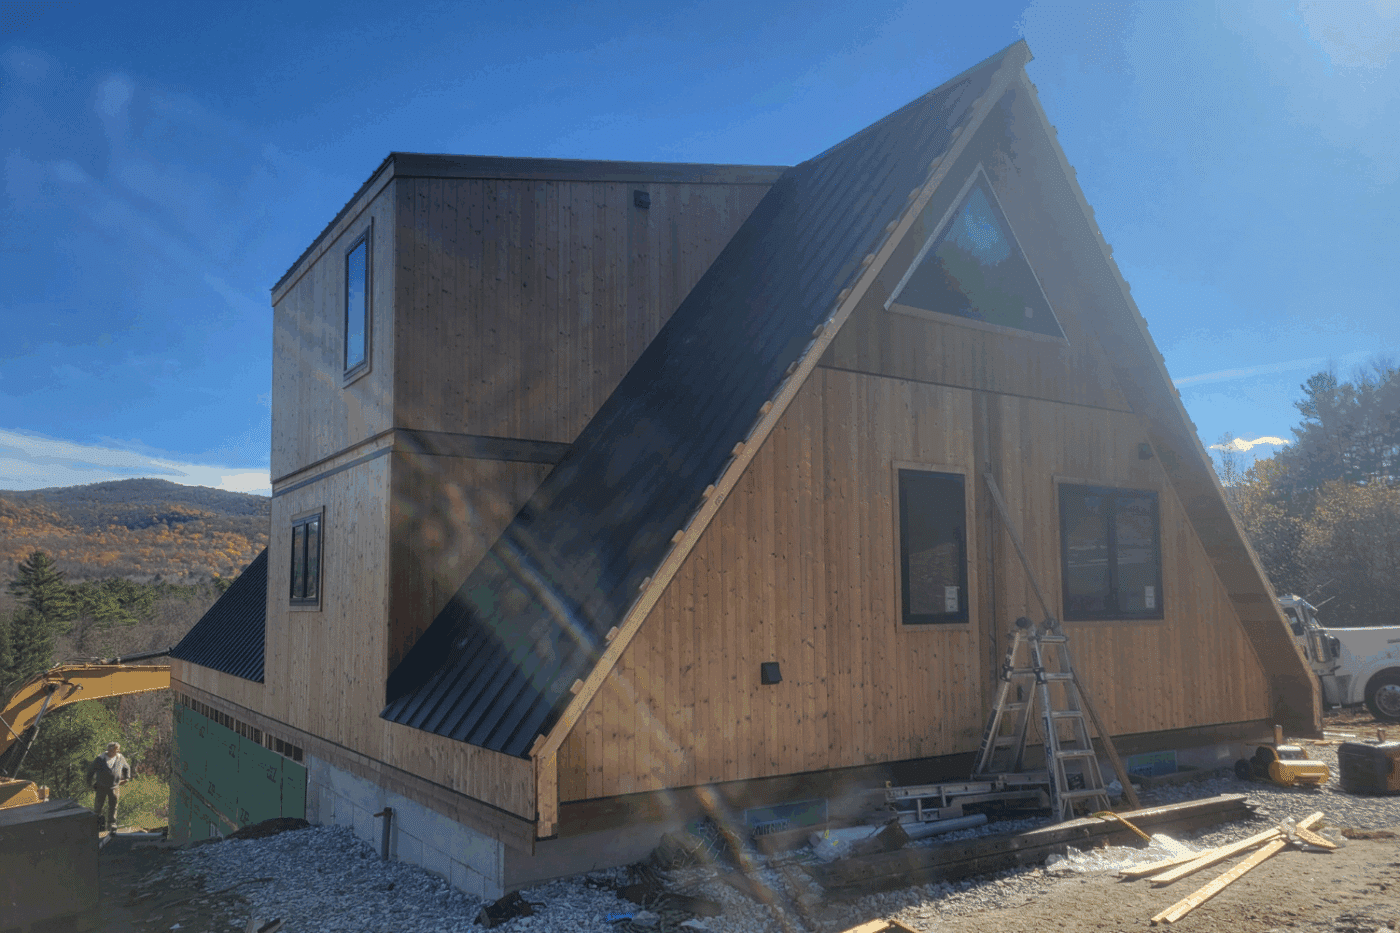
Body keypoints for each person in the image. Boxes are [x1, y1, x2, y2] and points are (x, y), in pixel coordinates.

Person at [86, 741, 130, 833]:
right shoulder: (100, 758)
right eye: (111, 750)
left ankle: (111, 825)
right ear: (108, 749)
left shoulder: (120, 758)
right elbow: (91, 771)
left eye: (115, 750)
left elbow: (127, 768)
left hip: (114, 787)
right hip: (101, 787)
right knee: (98, 807)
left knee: (113, 807)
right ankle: (96, 826)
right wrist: (89, 784)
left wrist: (127, 778)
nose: (113, 752)